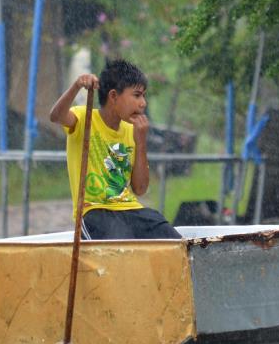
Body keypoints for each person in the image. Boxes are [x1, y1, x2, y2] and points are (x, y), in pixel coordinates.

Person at [49, 59, 181, 240]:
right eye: (137, 95)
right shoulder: (85, 118)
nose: (143, 103)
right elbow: (56, 116)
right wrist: (77, 85)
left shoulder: (131, 129)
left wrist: (141, 142)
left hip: (130, 209)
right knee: (120, 242)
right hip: (96, 211)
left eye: (144, 96)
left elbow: (140, 189)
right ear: (113, 96)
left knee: (170, 237)